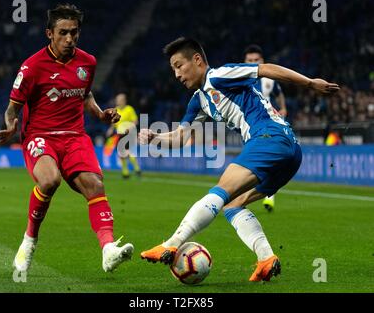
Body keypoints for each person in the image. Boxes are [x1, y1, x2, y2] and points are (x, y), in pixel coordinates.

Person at [139, 37, 339, 281]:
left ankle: (171, 244)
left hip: (269, 137)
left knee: (221, 189)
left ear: (198, 60)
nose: (177, 75)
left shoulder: (220, 75)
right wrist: (154, 137)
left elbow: (266, 69)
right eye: (173, 70)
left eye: (179, 65)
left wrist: (309, 83)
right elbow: (181, 138)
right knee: (233, 205)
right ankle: (266, 258)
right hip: (289, 151)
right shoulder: (198, 101)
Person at [0, 4, 133, 274]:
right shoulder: (31, 67)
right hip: (39, 135)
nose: (70, 39)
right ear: (49, 33)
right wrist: (11, 126)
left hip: (74, 136)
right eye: (63, 33)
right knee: (49, 179)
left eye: (74, 33)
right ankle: (29, 240)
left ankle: (108, 250)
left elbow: (86, 95)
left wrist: (101, 115)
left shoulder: (88, 62)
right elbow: (13, 107)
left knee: (95, 185)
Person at [243, 44, 288, 212]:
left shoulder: (269, 80)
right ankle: (247, 195)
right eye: (250, 60)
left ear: (262, 61)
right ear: (244, 61)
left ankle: (267, 196)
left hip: (268, 127)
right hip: (248, 129)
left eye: (256, 60)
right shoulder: (239, 79)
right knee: (253, 165)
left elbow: (279, 94)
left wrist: (283, 108)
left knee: (268, 162)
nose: (253, 62)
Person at [106, 93, 141, 179]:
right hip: (119, 134)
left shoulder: (129, 109)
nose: (118, 101)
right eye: (117, 100)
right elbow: (114, 123)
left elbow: (135, 121)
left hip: (128, 133)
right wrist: (110, 129)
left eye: (119, 100)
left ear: (124, 101)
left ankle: (136, 169)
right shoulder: (116, 110)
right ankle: (126, 172)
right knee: (121, 154)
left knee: (127, 151)